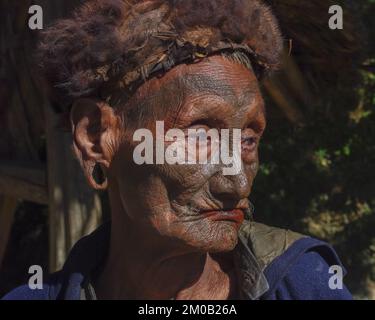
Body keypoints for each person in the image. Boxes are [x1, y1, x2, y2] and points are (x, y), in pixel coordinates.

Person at [3, 0, 352, 300]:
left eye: (248, 140)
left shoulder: (302, 283)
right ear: (96, 137)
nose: (237, 184)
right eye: (200, 135)